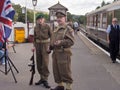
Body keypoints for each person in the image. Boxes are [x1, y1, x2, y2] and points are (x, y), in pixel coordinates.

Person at [50, 11, 74, 90]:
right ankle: (60, 86)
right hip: (56, 53)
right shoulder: (56, 29)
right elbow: (53, 40)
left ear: (64, 18)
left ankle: (68, 88)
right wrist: (50, 47)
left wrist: (61, 42)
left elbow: (71, 42)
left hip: (64, 54)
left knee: (65, 71)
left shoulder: (68, 29)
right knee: (56, 71)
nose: (59, 19)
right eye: (58, 18)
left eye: (61, 17)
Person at [33, 13, 52, 88]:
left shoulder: (47, 26)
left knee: (45, 63)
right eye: (38, 19)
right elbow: (34, 38)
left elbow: (52, 36)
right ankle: (42, 78)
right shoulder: (35, 27)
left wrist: (50, 47)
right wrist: (33, 46)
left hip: (45, 46)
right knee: (39, 63)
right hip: (38, 46)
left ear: (43, 19)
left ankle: (45, 80)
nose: (40, 20)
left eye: (41, 19)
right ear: (37, 20)